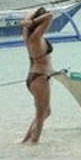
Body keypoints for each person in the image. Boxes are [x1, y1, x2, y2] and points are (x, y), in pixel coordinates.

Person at [21, 7, 53, 144]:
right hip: (40, 78)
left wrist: (29, 19)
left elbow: (33, 13)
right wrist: (33, 20)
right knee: (40, 116)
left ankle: (25, 142)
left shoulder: (27, 34)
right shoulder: (36, 37)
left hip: (34, 77)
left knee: (46, 112)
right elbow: (50, 16)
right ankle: (33, 146)